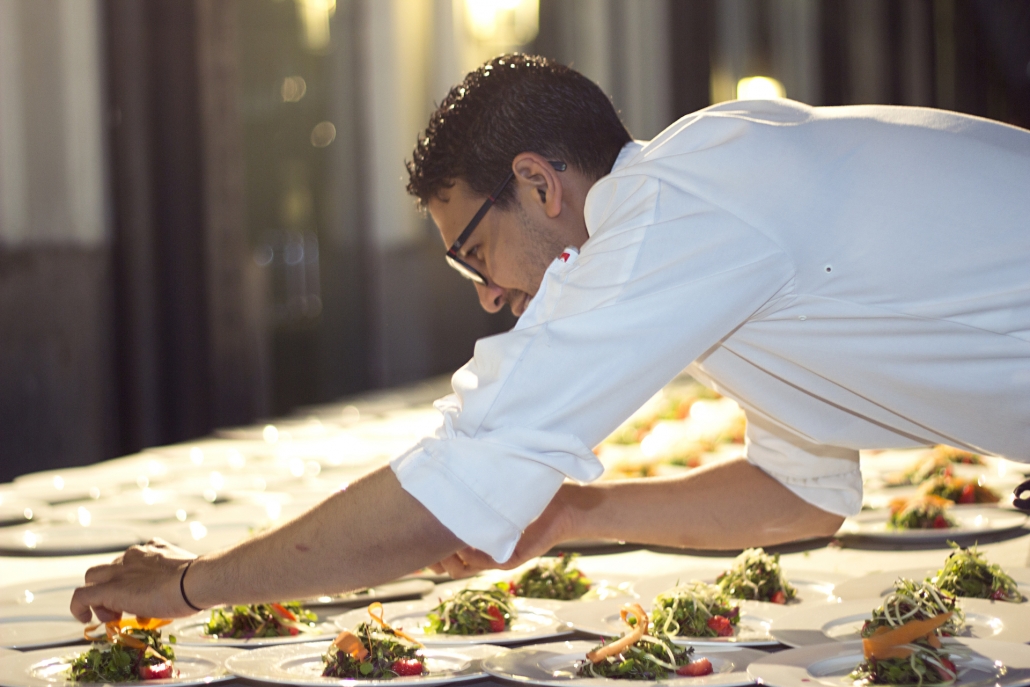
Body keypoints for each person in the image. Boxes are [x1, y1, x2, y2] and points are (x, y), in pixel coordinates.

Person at [70, 54, 1030, 624]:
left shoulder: (673, 211)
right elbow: (801, 498)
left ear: (537, 182)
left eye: (473, 253)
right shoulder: (711, 205)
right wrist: (571, 513)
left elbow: (454, 480)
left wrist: (189, 585)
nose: (489, 294)